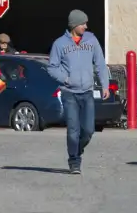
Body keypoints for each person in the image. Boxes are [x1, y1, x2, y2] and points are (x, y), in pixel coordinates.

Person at [47, 9, 109, 175]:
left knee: (88, 130)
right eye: (83, 24)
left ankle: (77, 149)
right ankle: (74, 161)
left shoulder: (91, 40)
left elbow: (101, 64)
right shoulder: (60, 44)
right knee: (73, 130)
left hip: (87, 91)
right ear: (74, 25)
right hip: (69, 93)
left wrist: (105, 85)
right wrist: (66, 79)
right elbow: (52, 68)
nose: (85, 26)